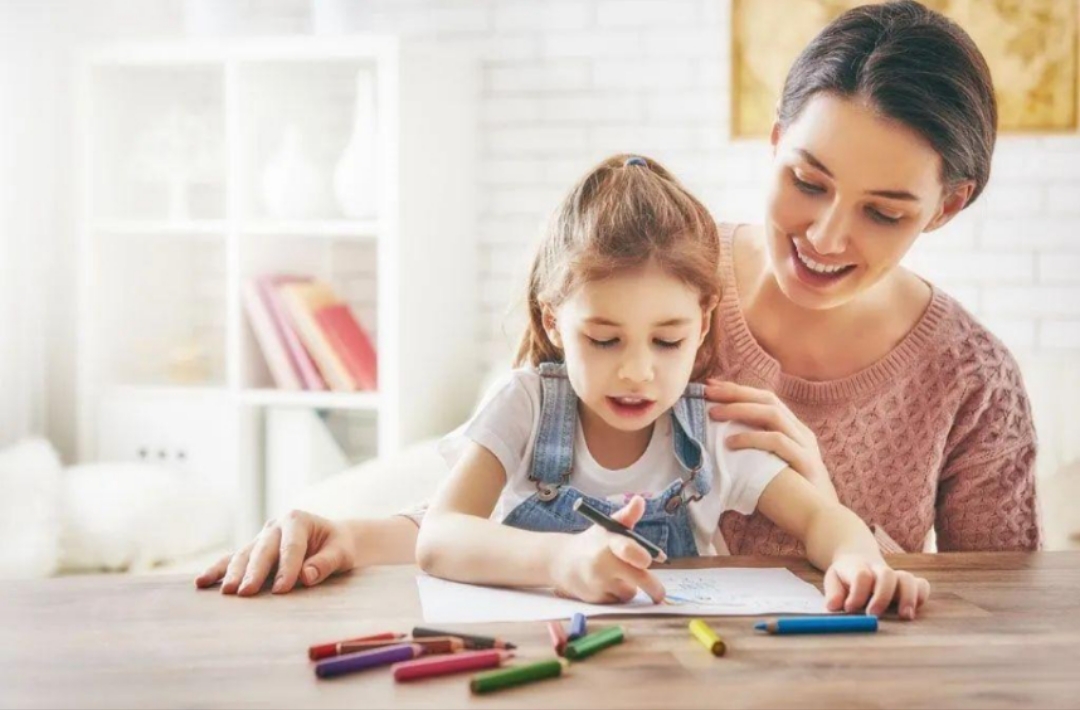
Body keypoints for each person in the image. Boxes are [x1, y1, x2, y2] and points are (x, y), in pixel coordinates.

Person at [195, 0, 1039, 599]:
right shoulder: (657, 271)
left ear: (948, 205)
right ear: (777, 142)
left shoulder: (973, 383)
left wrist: (838, 514)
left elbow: (1006, 615)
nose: (824, 235)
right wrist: (349, 533)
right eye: (806, 181)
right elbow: (517, 486)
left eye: (884, 212)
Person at [414, 153, 929, 617]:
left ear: (702, 325)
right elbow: (439, 537)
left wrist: (857, 559)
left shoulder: (711, 431)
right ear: (553, 323)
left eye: (666, 342)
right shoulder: (523, 406)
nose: (637, 372)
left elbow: (822, 519)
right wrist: (562, 559)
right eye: (603, 340)